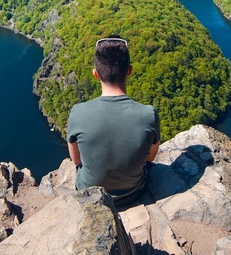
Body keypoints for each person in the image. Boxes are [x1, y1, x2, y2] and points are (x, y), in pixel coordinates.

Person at [66, 36, 160, 207]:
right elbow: (150, 158)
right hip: (134, 193)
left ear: (95, 74)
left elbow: (76, 160)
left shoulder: (78, 113)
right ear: (129, 70)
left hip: (92, 194)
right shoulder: (149, 114)